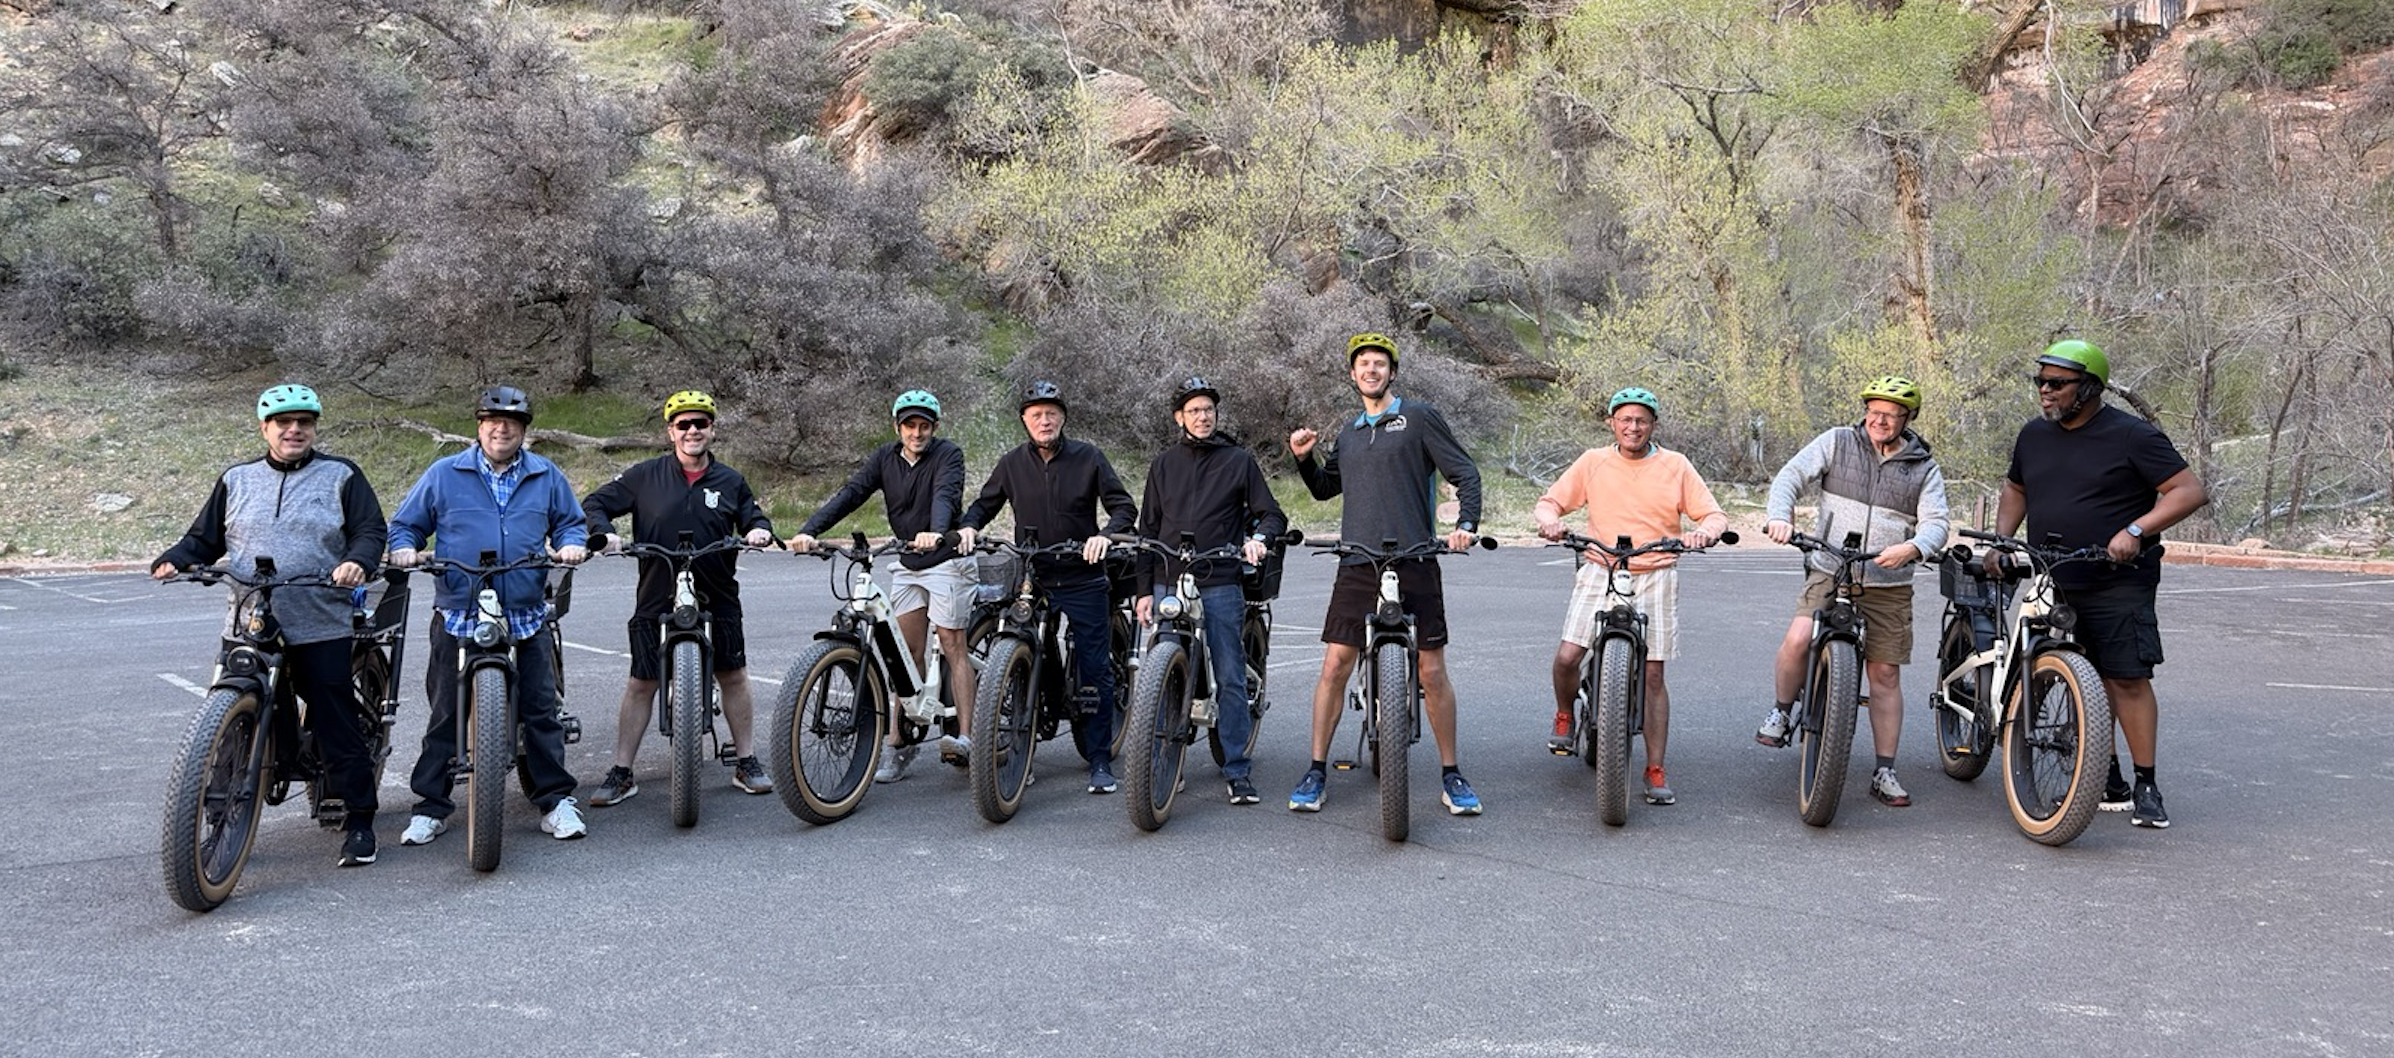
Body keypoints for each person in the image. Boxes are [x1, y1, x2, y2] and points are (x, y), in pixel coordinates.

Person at [154, 384, 388, 867]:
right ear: (265, 429)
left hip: (319, 619)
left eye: (304, 422)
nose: (294, 430)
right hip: (249, 620)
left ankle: (360, 820)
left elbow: (369, 531)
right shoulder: (236, 479)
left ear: (314, 428)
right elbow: (204, 538)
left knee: (334, 719)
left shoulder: (341, 475)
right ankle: (219, 820)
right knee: (226, 721)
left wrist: (357, 561)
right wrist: (178, 557)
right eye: (283, 423)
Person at [1996, 339, 2206, 829]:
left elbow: (2188, 490)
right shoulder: (2034, 435)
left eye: (2057, 383)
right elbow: (2015, 487)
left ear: (2089, 387)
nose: (2045, 391)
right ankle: (2104, 775)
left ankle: (2146, 784)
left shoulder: (2131, 435)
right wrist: (2003, 543)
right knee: (2081, 678)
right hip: (2054, 578)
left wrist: (2136, 530)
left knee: (2125, 678)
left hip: (2117, 582)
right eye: (2040, 382)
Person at [1287, 333, 1486, 816]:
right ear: (1352, 375)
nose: (1371, 370)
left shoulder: (1418, 418)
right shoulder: (1350, 432)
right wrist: (1303, 459)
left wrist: (1465, 524)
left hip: (1415, 557)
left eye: (1379, 363)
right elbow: (1325, 489)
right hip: (1358, 561)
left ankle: (1451, 773)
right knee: (1335, 666)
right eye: (1363, 364)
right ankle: (1316, 770)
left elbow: (1465, 473)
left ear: (1392, 372)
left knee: (1431, 670)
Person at [385, 385, 593, 845]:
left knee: (541, 711)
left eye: (512, 423)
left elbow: (570, 522)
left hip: (525, 612)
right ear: (479, 427)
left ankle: (555, 801)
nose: (502, 429)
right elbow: (406, 525)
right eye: (493, 421)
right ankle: (431, 807)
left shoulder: (545, 474)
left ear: (524, 431)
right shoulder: (445, 473)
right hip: (458, 611)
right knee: (445, 712)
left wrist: (570, 544)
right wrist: (404, 548)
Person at [1754, 376, 1950, 808]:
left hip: (1887, 583)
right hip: (1829, 567)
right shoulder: (1838, 442)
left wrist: (1914, 547)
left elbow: (1937, 522)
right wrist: (1780, 516)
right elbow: (1790, 476)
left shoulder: (1923, 467)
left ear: (1907, 419)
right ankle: (1782, 710)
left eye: (1891, 414)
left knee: (1885, 674)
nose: (1880, 420)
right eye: (1874, 411)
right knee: (1798, 638)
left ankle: (1885, 770)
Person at [581, 390, 779, 807]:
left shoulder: (730, 481)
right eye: (683, 424)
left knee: (733, 674)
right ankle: (621, 771)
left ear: (712, 430)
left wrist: (758, 530)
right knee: (642, 681)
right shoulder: (645, 475)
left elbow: (754, 516)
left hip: (718, 589)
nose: (692, 431)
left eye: (700, 423)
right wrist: (604, 532)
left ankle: (746, 761)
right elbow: (595, 503)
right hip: (656, 588)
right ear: (671, 432)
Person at [1532, 386, 1726, 807]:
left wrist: (1704, 533)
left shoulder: (1675, 465)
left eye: (1641, 420)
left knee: (1653, 675)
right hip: (1600, 567)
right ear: (1612, 423)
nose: (1633, 427)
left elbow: (1713, 514)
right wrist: (1550, 522)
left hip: (1656, 571)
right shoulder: (1593, 461)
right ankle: (1565, 713)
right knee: (1567, 656)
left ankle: (1655, 768)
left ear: (1653, 425)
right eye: (1625, 419)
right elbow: (1549, 503)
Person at [955, 381, 1137, 794]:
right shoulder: (1012, 463)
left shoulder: (1089, 457)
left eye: (1051, 413)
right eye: (1036, 414)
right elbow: (985, 504)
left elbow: (1123, 507)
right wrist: (969, 526)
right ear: (1024, 420)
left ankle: (1099, 758)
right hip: (1033, 574)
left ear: (1063, 418)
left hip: (1083, 574)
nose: (1044, 420)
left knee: (1095, 667)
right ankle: (1025, 748)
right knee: (1023, 650)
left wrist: (1105, 535)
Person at [790, 389, 976, 784]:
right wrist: (810, 530)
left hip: (946, 559)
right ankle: (900, 743)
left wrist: (936, 531)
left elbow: (945, 494)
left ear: (934, 427)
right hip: (909, 561)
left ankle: (966, 738)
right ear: (897, 427)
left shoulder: (948, 455)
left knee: (952, 643)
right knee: (905, 653)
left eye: (924, 426)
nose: (917, 433)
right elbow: (851, 494)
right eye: (910, 425)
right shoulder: (884, 458)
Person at [1133, 376, 1289, 805]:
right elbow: (1148, 531)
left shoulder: (1238, 460)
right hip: (1168, 578)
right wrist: (1144, 589)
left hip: (1220, 578)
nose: (1203, 417)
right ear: (1179, 418)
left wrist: (1259, 539)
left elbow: (1272, 515)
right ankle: (1162, 762)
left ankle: (1236, 768)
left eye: (1208, 410)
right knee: (1160, 675)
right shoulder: (1163, 464)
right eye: (1194, 411)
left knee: (1230, 674)